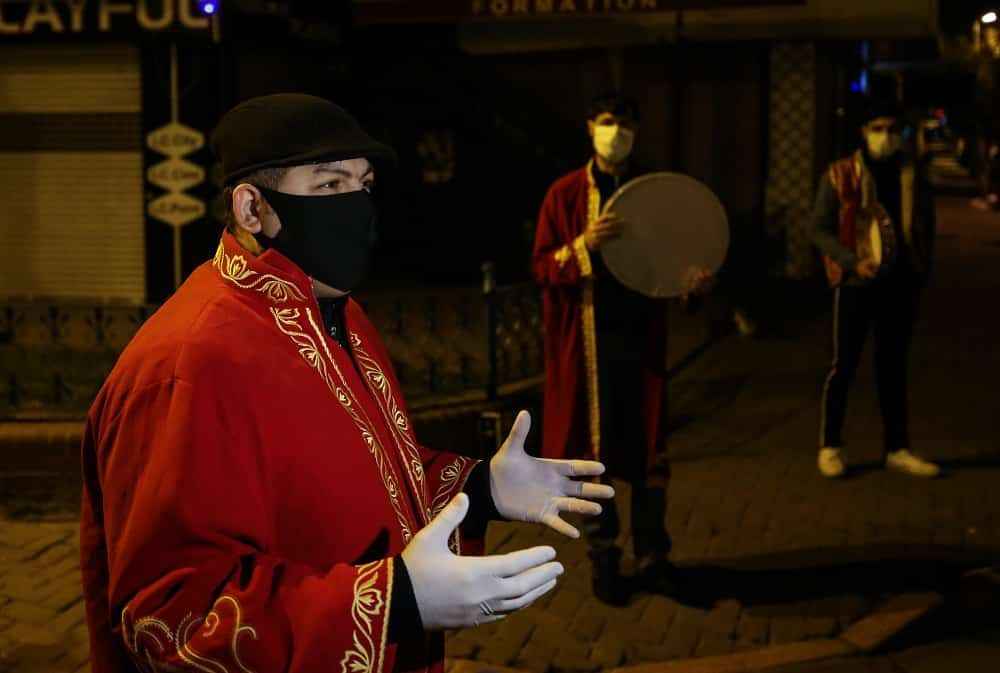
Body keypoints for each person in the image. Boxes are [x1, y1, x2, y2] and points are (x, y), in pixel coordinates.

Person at [80, 94, 616, 673]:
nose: (357, 206)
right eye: (330, 185)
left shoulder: (335, 310)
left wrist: (480, 488)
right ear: (252, 208)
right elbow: (171, 621)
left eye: (363, 185)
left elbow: (357, 476)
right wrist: (394, 602)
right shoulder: (187, 363)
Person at [531, 93, 711, 605]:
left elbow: (674, 263)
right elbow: (542, 266)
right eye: (609, 122)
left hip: (641, 342)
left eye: (626, 123)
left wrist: (691, 284)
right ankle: (604, 559)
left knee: (649, 451)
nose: (617, 132)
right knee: (594, 458)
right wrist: (584, 245)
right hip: (587, 346)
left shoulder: (653, 194)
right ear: (591, 126)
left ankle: (654, 558)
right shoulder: (565, 194)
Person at [809, 98, 940, 479]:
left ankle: (897, 448)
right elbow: (818, 228)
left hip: (899, 284)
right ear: (863, 132)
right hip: (855, 284)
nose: (885, 136)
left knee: (893, 366)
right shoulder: (841, 174)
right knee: (843, 365)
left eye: (892, 129)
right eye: (877, 128)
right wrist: (851, 261)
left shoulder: (912, 174)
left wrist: (920, 273)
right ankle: (830, 446)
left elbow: (926, 228)